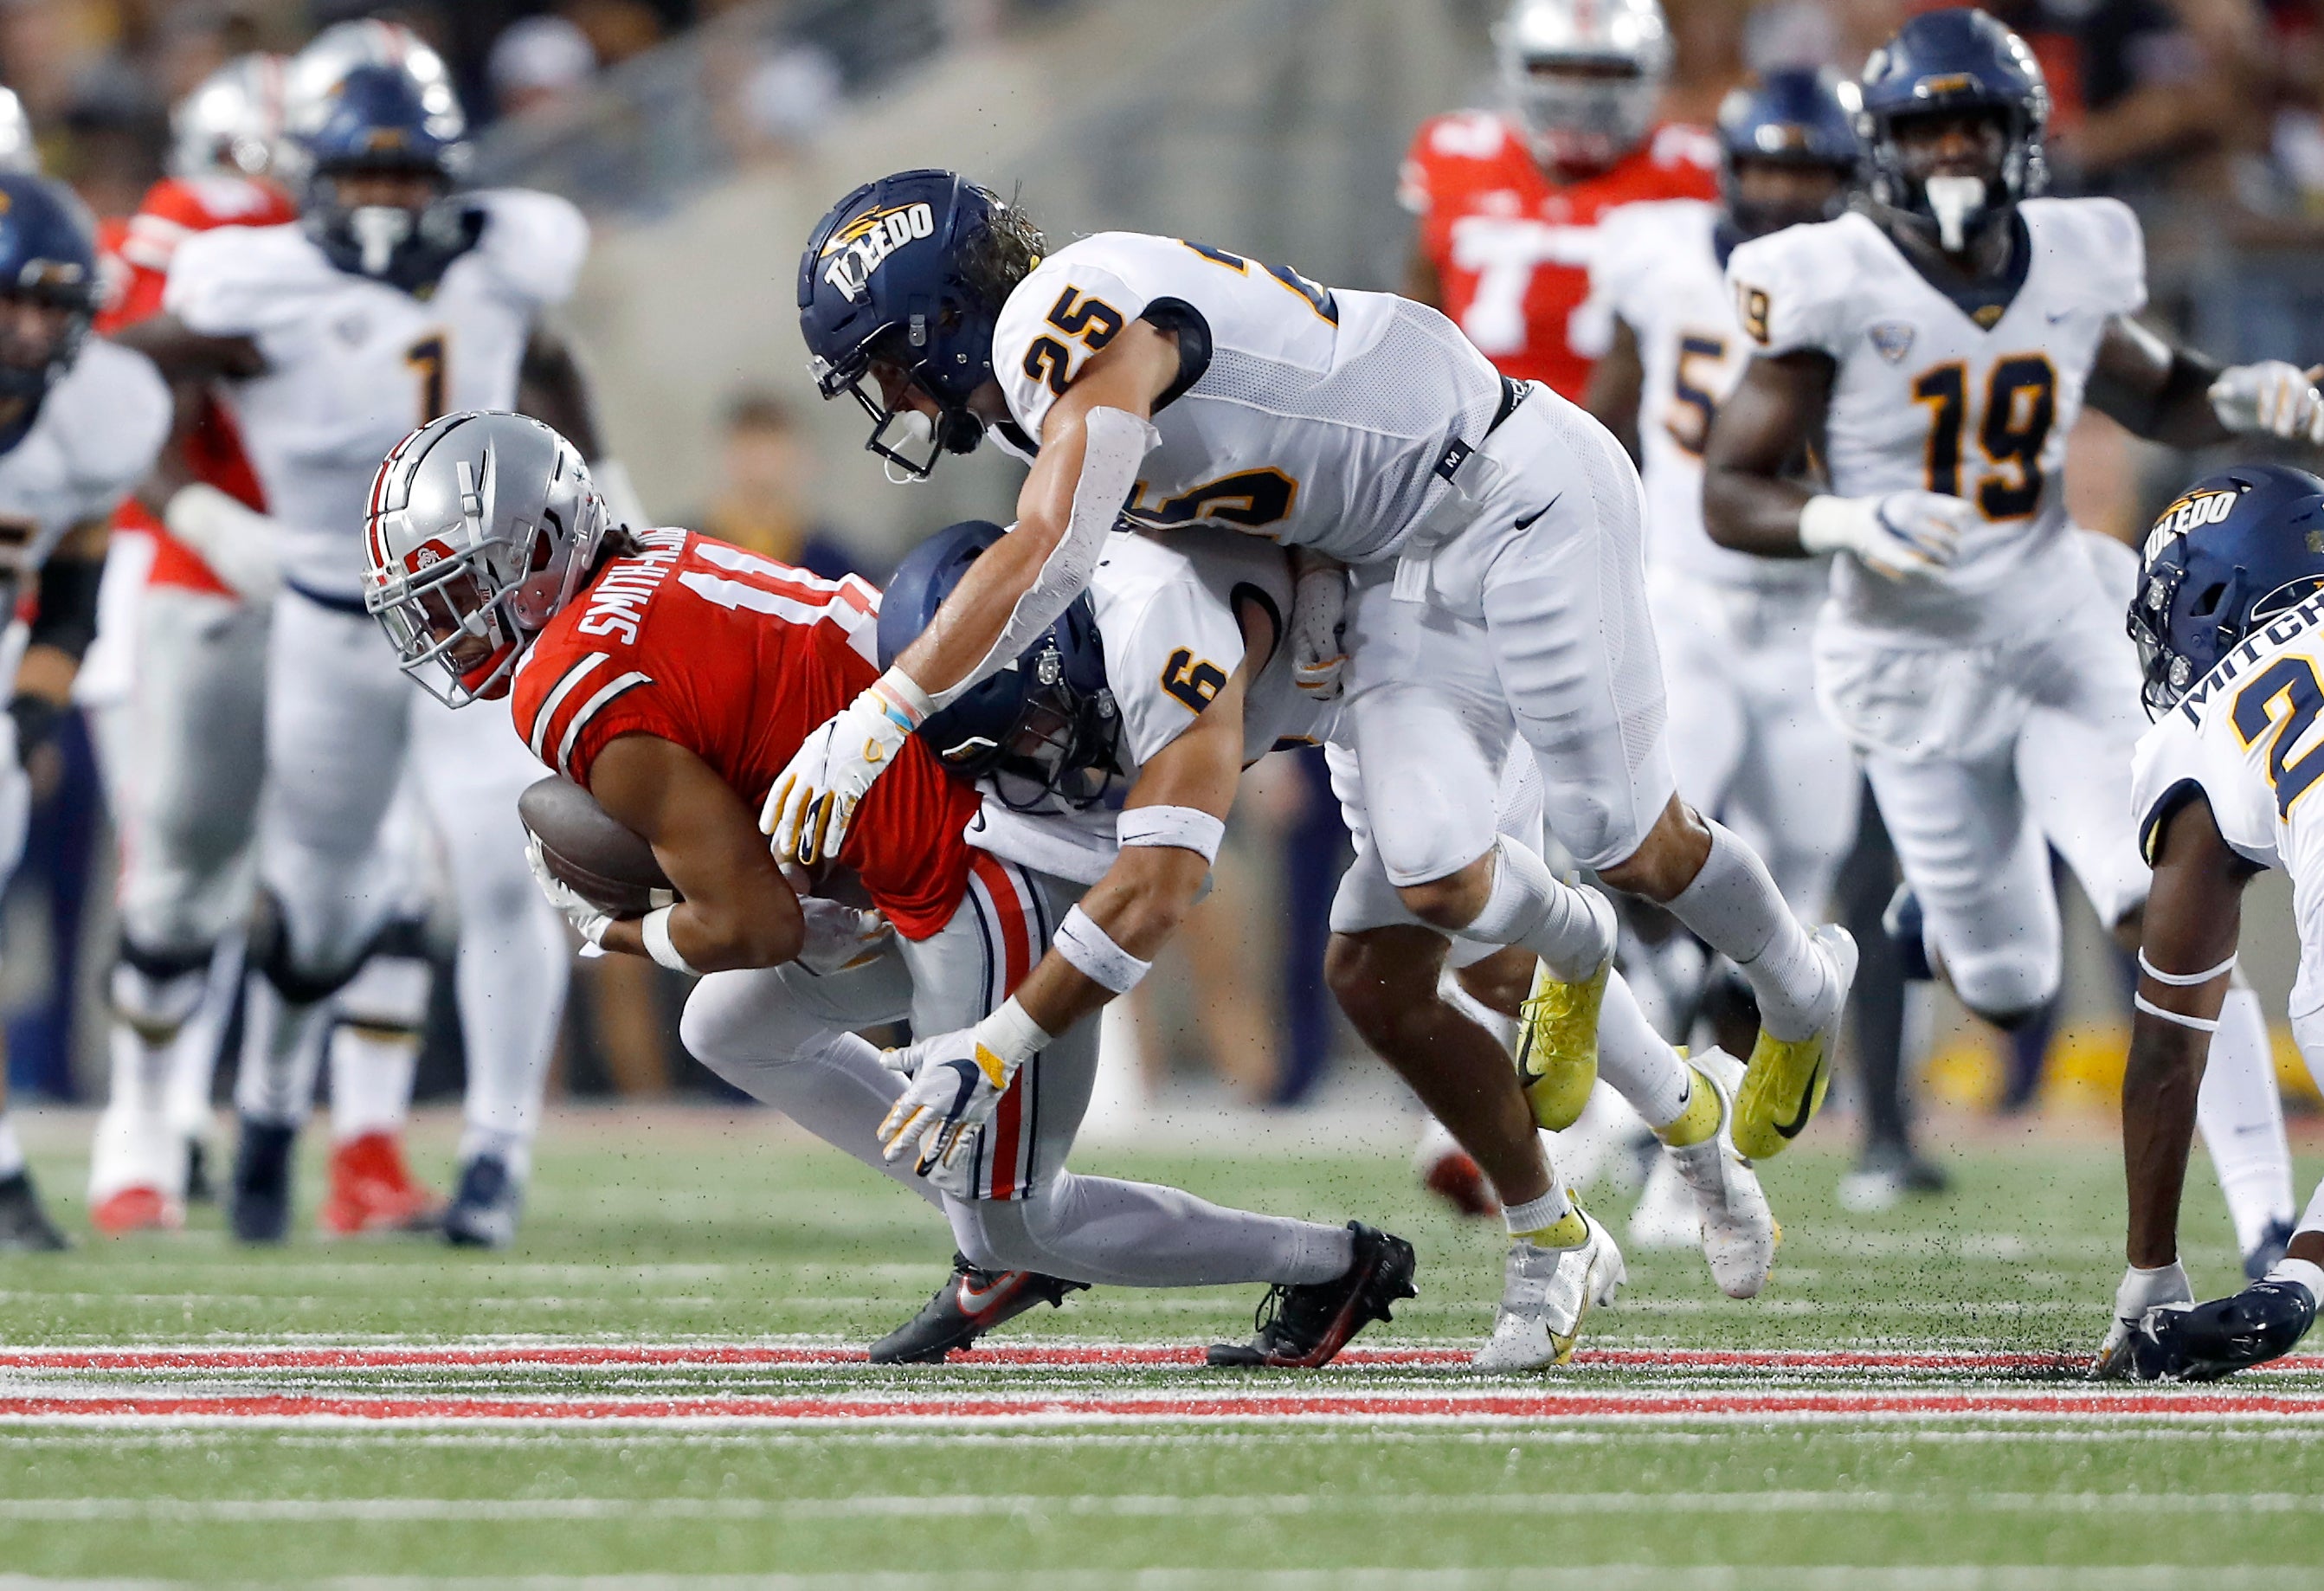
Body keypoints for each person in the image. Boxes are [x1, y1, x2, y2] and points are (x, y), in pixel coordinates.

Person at [776, 168, 1851, 1366]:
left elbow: (1056, 571)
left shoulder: (1066, 375)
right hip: (1389, 581)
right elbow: (1029, 802)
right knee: (1397, 970)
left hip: (1502, 493)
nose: (1029, 753)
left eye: (881, 361)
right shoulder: (1072, 535)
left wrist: (888, 724)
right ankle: (1650, 1160)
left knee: (1612, 838)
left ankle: (1794, 987)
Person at [361, 410, 1415, 1369]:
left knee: (1025, 1215)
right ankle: (982, 1221)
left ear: (539, 555)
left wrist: (619, 930)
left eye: (455, 586)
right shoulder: (645, 557)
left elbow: (753, 921)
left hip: (985, 858)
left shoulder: (569, 680)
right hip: (922, 827)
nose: (444, 623)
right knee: (731, 1027)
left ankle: (1331, 1261)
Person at [1703, 6, 2321, 1272]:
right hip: (1908, 659)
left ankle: (2264, 1214)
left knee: (2160, 900)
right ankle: (1941, 913)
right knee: (2001, 984)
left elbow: (2148, 385)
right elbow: (1730, 487)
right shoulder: (1829, 275)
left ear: (2022, 136)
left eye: (1975, 124)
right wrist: (1841, 512)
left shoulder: (2068, 253)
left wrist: (2229, 397)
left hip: (2052, 617)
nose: (1953, 152)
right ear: (1886, 144)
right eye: (1928, 129)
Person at [117, 43, 634, 1248]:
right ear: (316, 179)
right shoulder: (257, 281)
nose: (390, 201)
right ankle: (268, 1115)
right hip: (326, 622)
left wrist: (609, 494)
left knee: (513, 869)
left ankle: (497, 1159)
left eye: (409, 177)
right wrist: (193, 509)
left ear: (448, 177)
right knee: (319, 897)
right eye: (364, 175)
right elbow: (131, 380)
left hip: (482, 630)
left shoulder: (507, 254)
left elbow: (544, 359)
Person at [84, 51, 445, 1240]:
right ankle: (147, 1133)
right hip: (217, 577)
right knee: (184, 864)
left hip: (367, 592)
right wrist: (204, 520)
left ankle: (360, 1145)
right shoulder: (204, 234)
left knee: (382, 874)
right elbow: (134, 392)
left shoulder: (438, 255)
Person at [1577, 68, 1864, 1246]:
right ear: (1730, 172)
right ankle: (1661, 1002)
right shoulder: (1649, 253)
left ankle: (1687, 1160)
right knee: (1642, 843)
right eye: (1771, 168)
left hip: (1814, 620)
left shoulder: (1870, 285)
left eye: (1813, 172)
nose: (1789, 194)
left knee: (1790, 913)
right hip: (1684, 598)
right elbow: (1605, 408)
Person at [2100, 466, 2324, 1381]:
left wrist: (2149, 1266)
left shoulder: (2209, 712)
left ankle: (2294, 1285)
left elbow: (2170, 1038)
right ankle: (2298, 1275)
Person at [0, 173, 173, 1251]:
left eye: (50, 305)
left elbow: (72, 589)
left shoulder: (100, 413)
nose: (30, 327)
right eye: (10, 301)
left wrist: (26, 725)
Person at [1399, 0, 1718, 403]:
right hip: (1470, 413)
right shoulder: (1457, 150)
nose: (1578, 95)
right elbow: (1419, 308)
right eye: (1556, 69)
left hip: (1625, 427)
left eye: (1603, 73)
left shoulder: (1695, 168)